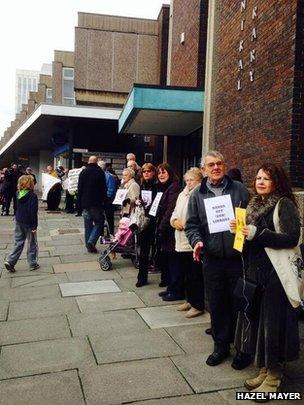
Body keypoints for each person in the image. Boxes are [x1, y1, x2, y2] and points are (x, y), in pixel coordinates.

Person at [230, 163, 300, 397]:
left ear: (276, 182)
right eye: (258, 177)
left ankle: (275, 375)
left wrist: (257, 233)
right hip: (256, 275)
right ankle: (264, 368)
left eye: (266, 179)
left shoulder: (284, 204)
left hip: (276, 277)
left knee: (274, 325)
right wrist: (239, 231)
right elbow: (249, 238)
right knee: (260, 324)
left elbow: (292, 238)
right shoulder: (254, 204)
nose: (260, 182)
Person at [185, 150, 249, 368]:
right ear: (204, 170)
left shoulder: (239, 189)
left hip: (237, 257)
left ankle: (242, 348)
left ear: (224, 165)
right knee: (217, 303)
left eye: (219, 163)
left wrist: (243, 229)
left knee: (240, 303)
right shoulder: (197, 194)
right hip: (211, 258)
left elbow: (249, 217)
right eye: (210, 165)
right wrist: (197, 242)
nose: (215, 168)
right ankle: (221, 346)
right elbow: (192, 225)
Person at [170, 167, 205, 318]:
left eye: (192, 180)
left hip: (192, 242)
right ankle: (189, 300)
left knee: (195, 275)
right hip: (180, 240)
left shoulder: (200, 194)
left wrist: (185, 225)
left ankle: (198, 305)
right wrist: (174, 221)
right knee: (185, 273)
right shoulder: (182, 195)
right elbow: (175, 212)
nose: (189, 183)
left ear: (200, 181)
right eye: (187, 180)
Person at [155, 163, 180, 299]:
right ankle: (171, 287)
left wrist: (161, 227)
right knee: (169, 261)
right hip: (166, 230)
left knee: (174, 261)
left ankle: (175, 290)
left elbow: (170, 209)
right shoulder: (165, 187)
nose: (161, 175)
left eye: (164, 172)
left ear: (170, 173)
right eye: (159, 173)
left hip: (170, 230)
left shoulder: (174, 187)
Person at [4, 175, 39, 272]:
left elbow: (17, 207)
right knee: (32, 243)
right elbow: (33, 212)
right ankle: (32, 263)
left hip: (19, 221)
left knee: (18, 242)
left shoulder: (17, 193)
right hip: (29, 222)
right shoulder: (32, 196)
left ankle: (10, 261)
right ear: (31, 184)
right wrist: (34, 226)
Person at [78, 156, 107, 253]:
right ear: (96, 162)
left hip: (85, 203)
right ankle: (91, 241)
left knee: (88, 225)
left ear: (88, 162)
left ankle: (88, 245)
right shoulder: (100, 172)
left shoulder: (83, 172)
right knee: (99, 222)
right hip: (96, 203)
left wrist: (79, 203)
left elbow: (80, 189)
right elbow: (104, 189)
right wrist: (104, 201)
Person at [136, 163, 158, 287]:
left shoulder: (156, 186)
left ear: (153, 172)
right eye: (144, 171)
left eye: (149, 171)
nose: (146, 173)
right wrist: (139, 201)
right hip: (144, 222)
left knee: (156, 250)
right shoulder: (142, 185)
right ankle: (142, 278)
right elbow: (140, 200)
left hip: (154, 220)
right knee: (143, 251)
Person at [98, 160, 117, 236]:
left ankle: (110, 233)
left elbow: (111, 190)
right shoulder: (100, 175)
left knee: (109, 218)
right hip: (101, 200)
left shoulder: (109, 176)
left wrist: (104, 198)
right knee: (101, 218)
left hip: (108, 201)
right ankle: (101, 233)